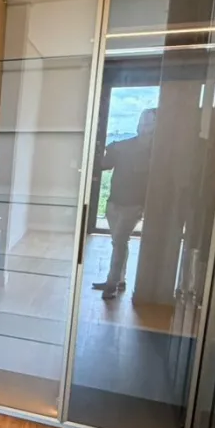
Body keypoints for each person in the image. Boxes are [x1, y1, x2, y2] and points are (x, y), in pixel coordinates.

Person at [94, 107, 156, 300]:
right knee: (119, 243)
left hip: (133, 205)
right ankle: (120, 280)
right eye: (142, 121)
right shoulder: (124, 146)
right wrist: (103, 150)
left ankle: (112, 283)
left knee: (119, 242)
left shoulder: (157, 152)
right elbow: (104, 165)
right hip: (114, 201)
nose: (143, 125)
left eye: (149, 122)